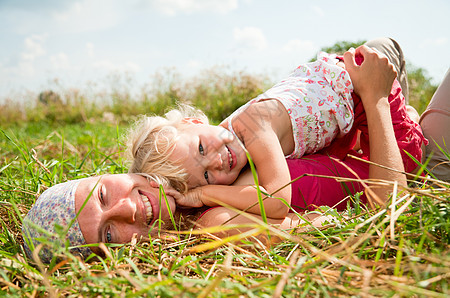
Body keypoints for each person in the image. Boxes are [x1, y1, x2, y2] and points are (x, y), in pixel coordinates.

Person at [21, 38, 433, 263]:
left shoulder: (202, 155)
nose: (126, 210)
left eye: (105, 196)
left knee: (379, 47)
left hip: (364, 133)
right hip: (403, 162)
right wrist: (375, 98)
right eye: (109, 234)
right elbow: (384, 211)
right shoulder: (215, 220)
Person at [126, 41, 424, 220]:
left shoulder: (253, 124)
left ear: (194, 123)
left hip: (356, 91)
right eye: (205, 173)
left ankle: (409, 119)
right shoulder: (233, 139)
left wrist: (205, 191)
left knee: (407, 158)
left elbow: (278, 201)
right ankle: (410, 120)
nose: (217, 161)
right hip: (334, 110)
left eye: (201, 148)